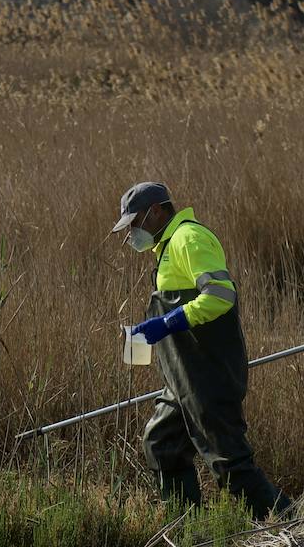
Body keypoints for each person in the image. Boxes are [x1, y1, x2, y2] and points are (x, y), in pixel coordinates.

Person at [113, 181, 292, 520]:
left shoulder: (188, 239)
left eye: (134, 222)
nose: (131, 233)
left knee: (231, 468)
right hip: (183, 379)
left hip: (209, 376)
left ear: (156, 212)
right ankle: (188, 530)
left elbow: (220, 296)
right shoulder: (165, 247)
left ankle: (294, 527)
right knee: (161, 444)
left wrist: (168, 323)